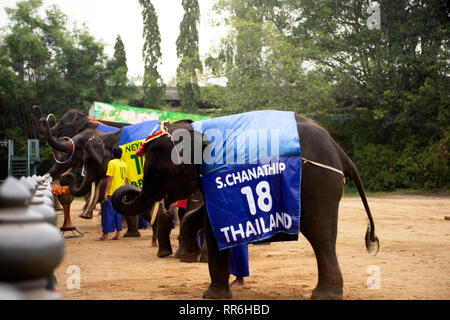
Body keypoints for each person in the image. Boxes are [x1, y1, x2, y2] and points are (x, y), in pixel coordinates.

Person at [99, 146, 128, 241]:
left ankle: (105, 235)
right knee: (118, 214)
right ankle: (118, 235)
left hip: (113, 192)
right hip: (121, 192)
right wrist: (125, 192)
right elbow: (126, 180)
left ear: (112, 154)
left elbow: (110, 178)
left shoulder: (111, 163)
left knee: (108, 214)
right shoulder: (124, 164)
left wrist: (106, 192)